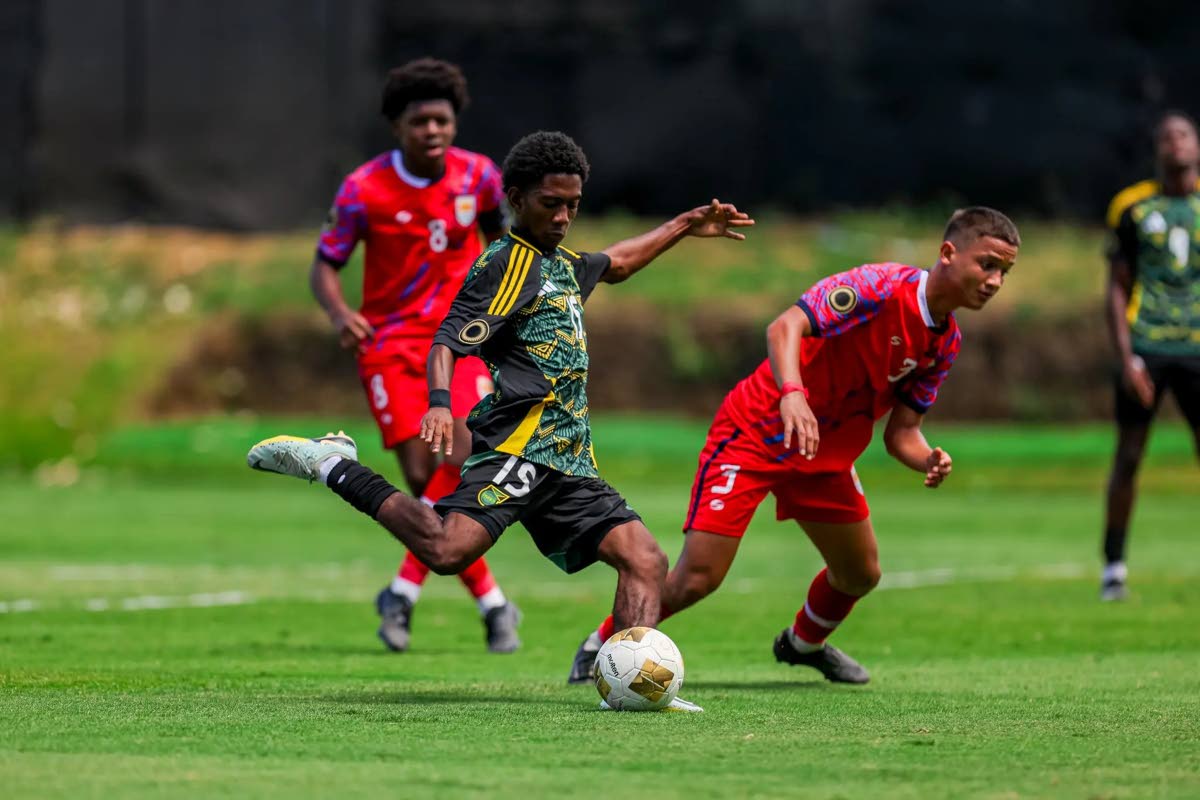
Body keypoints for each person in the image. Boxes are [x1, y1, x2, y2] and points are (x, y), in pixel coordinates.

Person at [251, 130, 754, 711]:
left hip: (568, 461)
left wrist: (684, 226)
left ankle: (630, 688)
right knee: (445, 552)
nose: (563, 217)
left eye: (572, 205)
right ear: (515, 198)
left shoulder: (561, 263)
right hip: (518, 448)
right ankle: (334, 465)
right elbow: (446, 338)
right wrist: (439, 402)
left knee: (645, 559)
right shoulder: (504, 265)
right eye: (551, 204)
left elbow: (616, 263)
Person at [567, 207, 1020, 685]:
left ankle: (803, 643)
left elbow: (901, 433)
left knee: (860, 573)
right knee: (699, 577)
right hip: (756, 432)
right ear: (948, 253)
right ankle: (603, 643)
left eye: (1004, 272)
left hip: (822, 455)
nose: (994, 280)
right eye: (987, 264)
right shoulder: (879, 287)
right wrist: (793, 395)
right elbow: (785, 327)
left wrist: (927, 457)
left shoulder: (944, 341)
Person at [311, 58, 521, 653]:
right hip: (391, 349)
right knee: (423, 481)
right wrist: (338, 313)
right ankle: (493, 603)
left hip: (461, 343)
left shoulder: (478, 177)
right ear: (397, 127)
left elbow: (506, 246)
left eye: (443, 120)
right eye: (421, 121)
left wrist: (507, 309)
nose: (433, 131)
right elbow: (325, 262)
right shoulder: (363, 188)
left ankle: (407, 596)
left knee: (465, 453)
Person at [1101, 110, 1200, 601]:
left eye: (1183, 135)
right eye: (1167, 137)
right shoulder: (1133, 207)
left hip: (1198, 349)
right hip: (1148, 346)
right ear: (1157, 149)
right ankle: (1113, 568)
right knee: (1130, 455)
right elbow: (1117, 288)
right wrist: (1126, 358)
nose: (1175, 143)